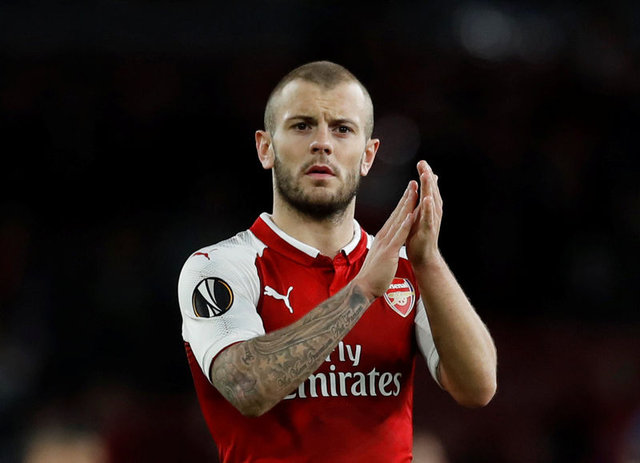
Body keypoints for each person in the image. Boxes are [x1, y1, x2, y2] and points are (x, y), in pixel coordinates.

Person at [177, 61, 497, 463]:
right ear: (265, 148)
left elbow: (477, 388)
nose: (322, 143)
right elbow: (246, 387)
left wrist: (429, 262)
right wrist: (360, 292)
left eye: (342, 129)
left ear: (368, 155)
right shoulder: (219, 268)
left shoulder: (406, 270)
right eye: (302, 126)